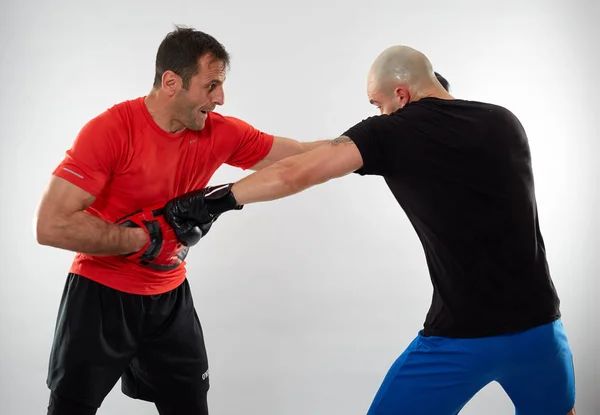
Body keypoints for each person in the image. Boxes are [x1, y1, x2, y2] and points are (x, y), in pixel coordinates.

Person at [165, 46, 577, 415]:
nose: (378, 114)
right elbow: (332, 151)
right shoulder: (505, 121)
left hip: (461, 340)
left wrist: (210, 202)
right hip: (542, 330)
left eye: (378, 104)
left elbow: (296, 174)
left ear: (402, 95)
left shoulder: (394, 131)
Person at [34, 25, 329, 415]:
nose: (221, 99)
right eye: (211, 86)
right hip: (99, 296)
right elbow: (50, 225)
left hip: (169, 297)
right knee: (71, 407)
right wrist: (143, 237)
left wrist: (375, 139)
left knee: (190, 406)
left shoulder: (219, 133)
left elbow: (301, 154)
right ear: (171, 82)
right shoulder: (110, 131)